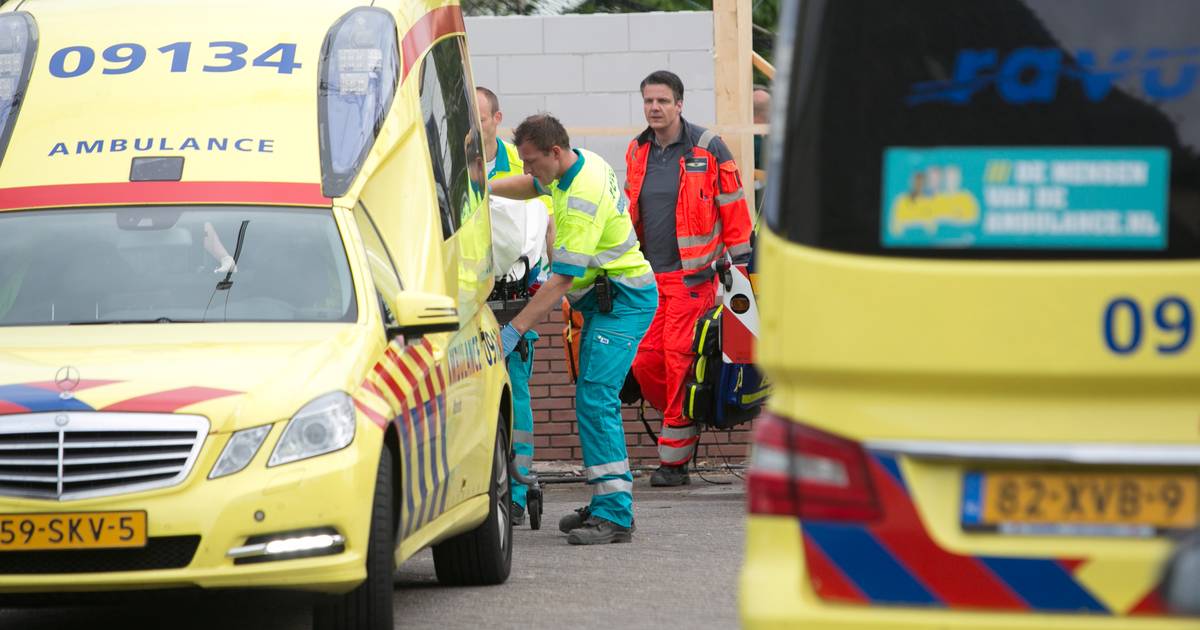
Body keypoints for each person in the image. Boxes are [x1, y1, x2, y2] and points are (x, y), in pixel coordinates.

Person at [490, 114, 657, 545]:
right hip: (606, 302)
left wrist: (515, 329)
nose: (527, 170)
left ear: (555, 153)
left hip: (623, 303)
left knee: (596, 400)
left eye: (530, 161)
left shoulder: (581, 194)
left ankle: (616, 514)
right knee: (591, 400)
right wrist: (482, 187)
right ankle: (606, 502)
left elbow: (562, 279)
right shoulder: (576, 166)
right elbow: (531, 187)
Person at [624, 70, 753, 487]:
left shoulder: (708, 147)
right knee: (646, 360)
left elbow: (733, 208)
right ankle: (684, 417)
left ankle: (674, 462)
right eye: (648, 101)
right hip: (647, 278)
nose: (654, 108)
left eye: (662, 101)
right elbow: (629, 208)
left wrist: (743, 271)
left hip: (693, 279)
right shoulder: (638, 149)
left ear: (680, 104)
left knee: (679, 360)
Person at [476, 86, 551, 526]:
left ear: (496, 117)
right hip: (471, 294)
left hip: (513, 292)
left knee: (515, 393)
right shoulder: (450, 158)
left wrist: (556, 273)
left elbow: (546, 215)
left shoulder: (515, 160)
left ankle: (518, 485)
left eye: (481, 115)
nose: (474, 121)